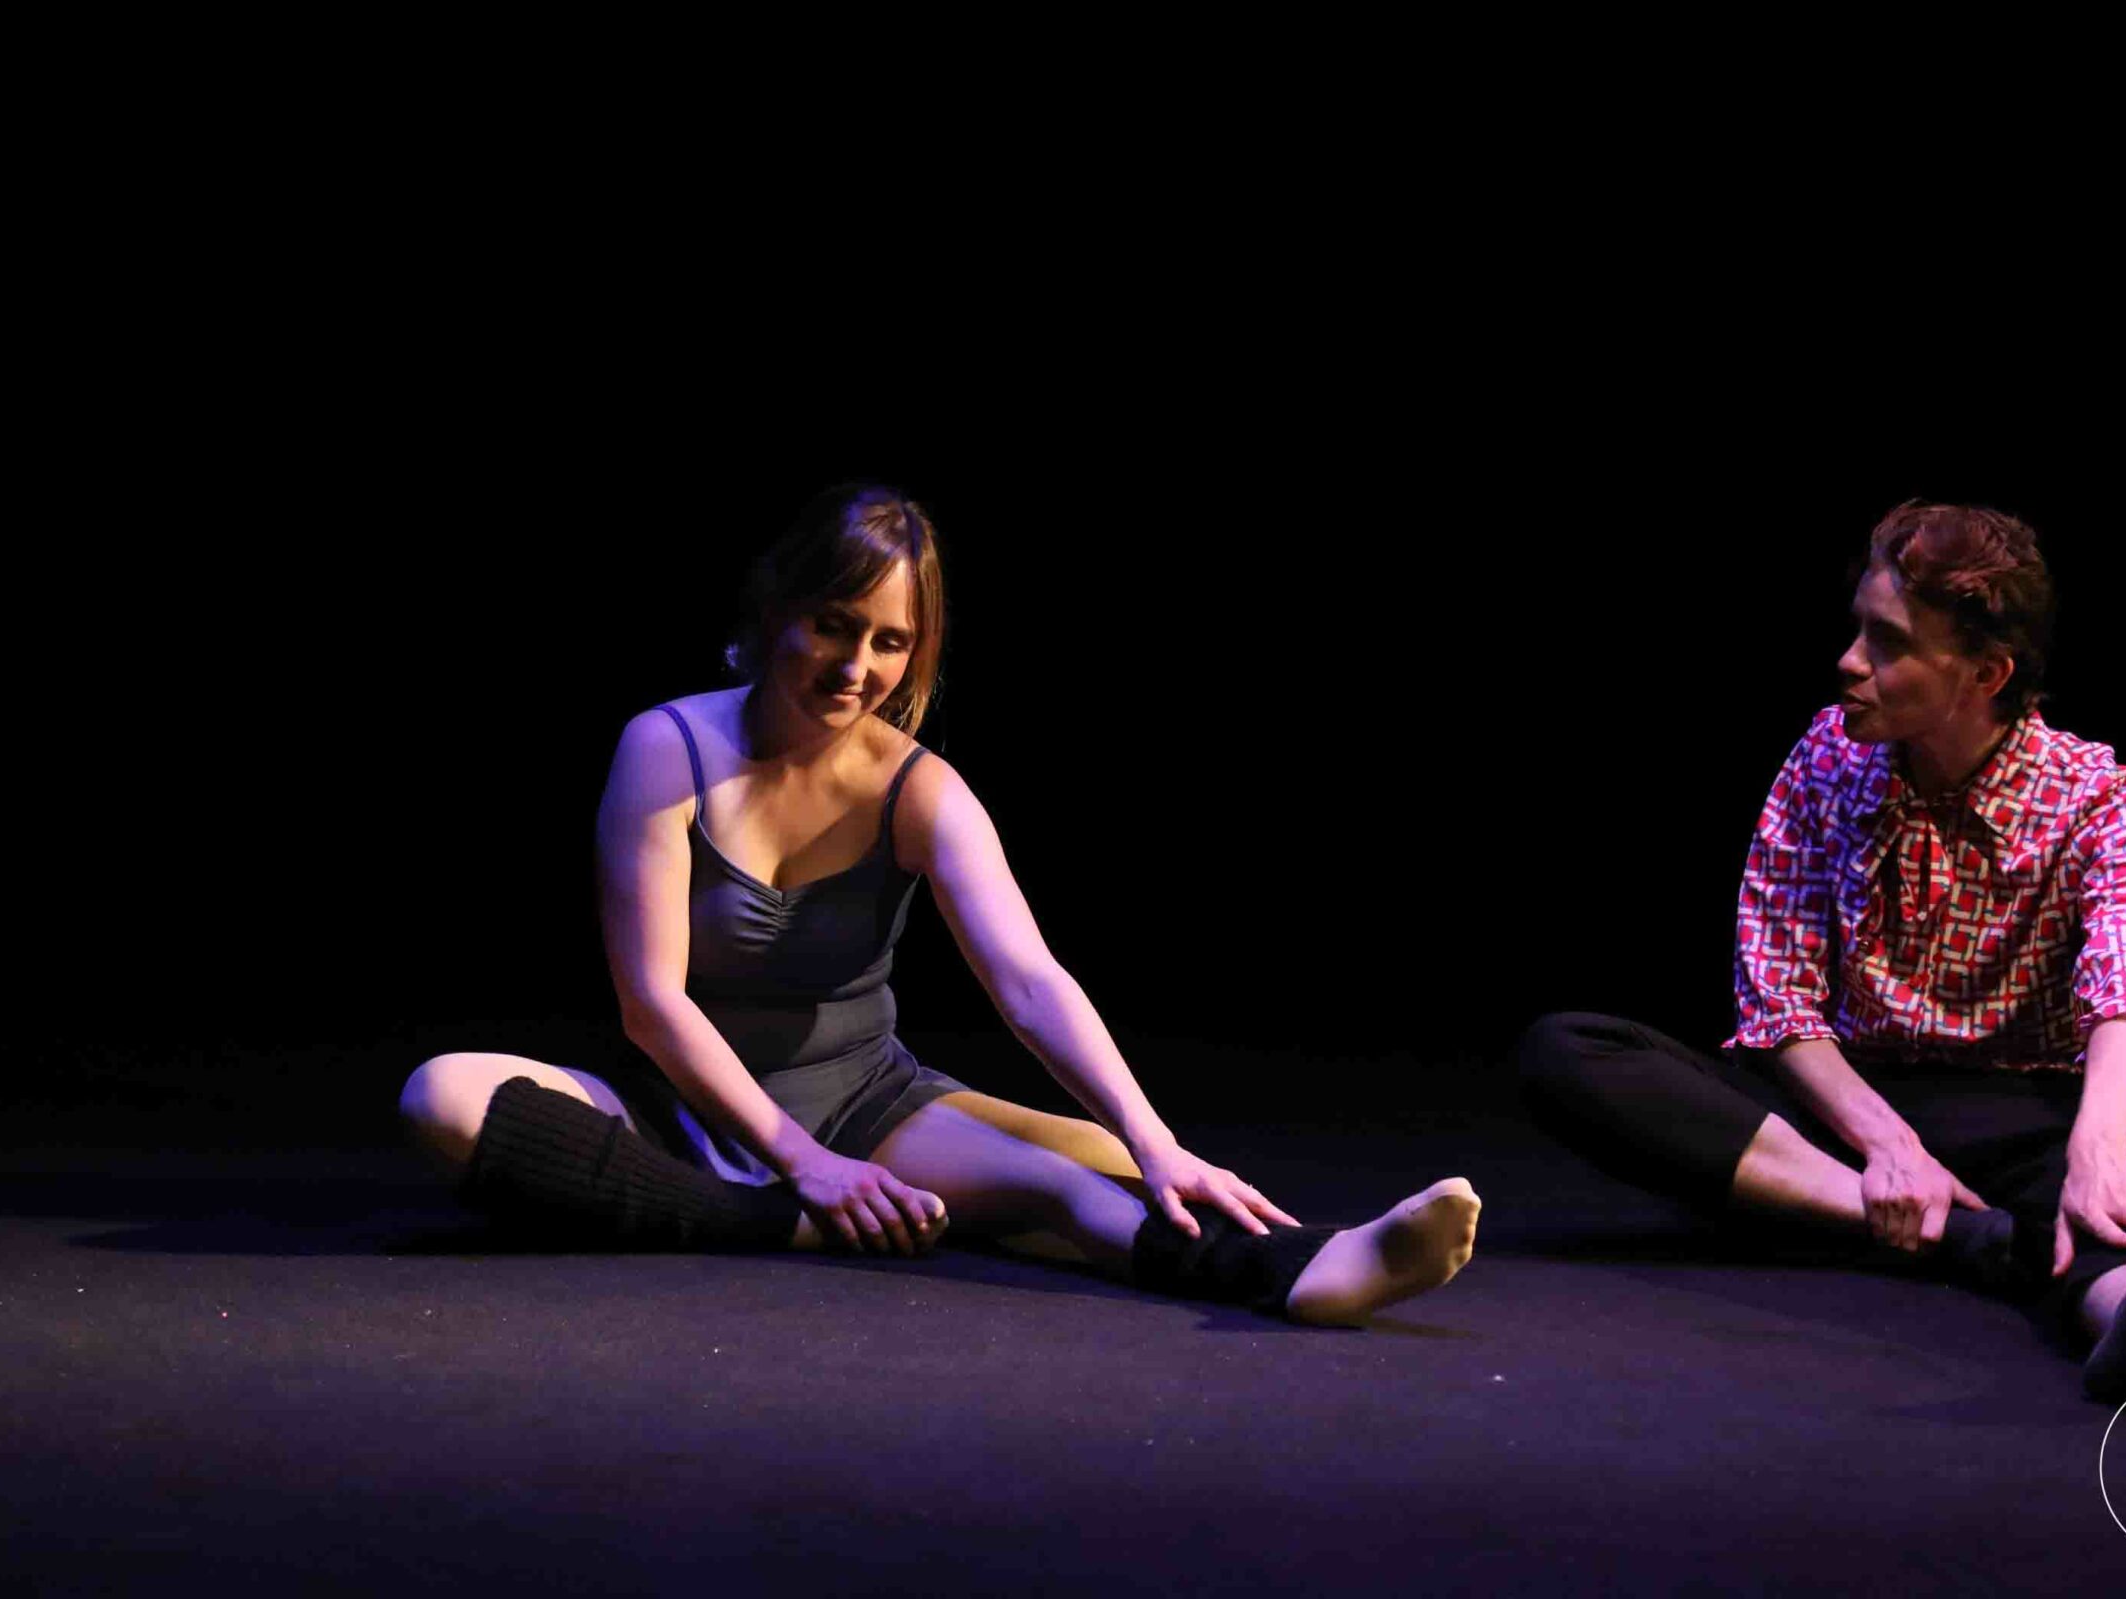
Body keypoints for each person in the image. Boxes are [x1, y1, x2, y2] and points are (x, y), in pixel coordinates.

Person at [398, 481, 1479, 1324]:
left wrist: (1155, 1138)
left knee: (1088, 1175)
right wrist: (806, 1171)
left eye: (890, 641)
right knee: (442, 1097)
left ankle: (1307, 1269)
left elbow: (1028, 979)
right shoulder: (666, 748)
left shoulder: (920, 789)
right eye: (832, 625)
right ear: (775, 611)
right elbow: (653, 1004)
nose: (855, 667)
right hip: (679, 1110)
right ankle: (789, 1222)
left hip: (869, 1110)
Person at [1519, 500, 2126, 1402]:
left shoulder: (2105, 800)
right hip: (1845, 1108)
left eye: (1888, 642)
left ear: (1985, 673)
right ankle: (1971, 1237)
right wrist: (1889, 1144)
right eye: (1858, 628)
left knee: (2100, 1199)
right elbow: (1780, 1000)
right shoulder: (1826, 757)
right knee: (1573, 1051)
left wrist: (2101, 1146)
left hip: (2015, 1109)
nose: (1849, 660)